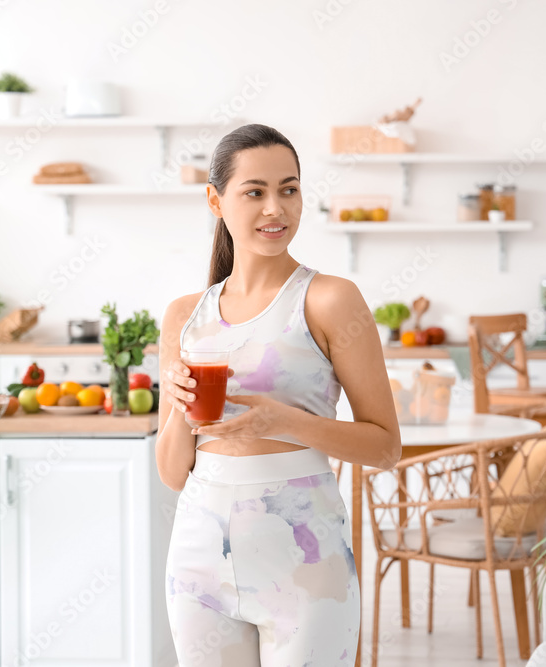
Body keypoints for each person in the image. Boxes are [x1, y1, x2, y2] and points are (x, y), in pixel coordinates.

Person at [155, 123, 401, 666]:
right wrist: (176, 408)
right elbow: (174, 473)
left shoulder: (330, 300)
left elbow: (385, 448)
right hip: (200, 556)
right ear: (216, 201)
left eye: (289, 189)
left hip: (305, 561)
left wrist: (279, 421)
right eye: (256, 191)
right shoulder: (183, 317)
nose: (276, 208)